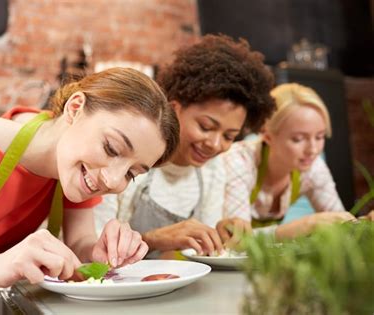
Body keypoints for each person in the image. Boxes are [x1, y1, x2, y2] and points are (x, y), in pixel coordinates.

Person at [0, 67, 180, 313]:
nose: (111, 179)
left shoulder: (68, 158)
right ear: (74, 109)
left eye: (131, 173)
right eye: (111, 149)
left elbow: (80, 241)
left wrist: (99, 252)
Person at [94, 34, 276, 257]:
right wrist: (153, 239)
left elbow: (203, 254)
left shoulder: (213, 170)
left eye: (229, 136)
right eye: (206, 126)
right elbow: (91, 250)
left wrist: (219, 235)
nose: (215, 144)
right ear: (175, 108)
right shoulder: (129, 158)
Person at [221, 83, 356, 241]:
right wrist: (305, 225)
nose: (312, 150)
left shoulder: (312, 166)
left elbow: (342, 224)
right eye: (298, 139)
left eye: (319, 137)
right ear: (268, 136)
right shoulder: (239, 160)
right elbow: (236, 240)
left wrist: (363, 224)